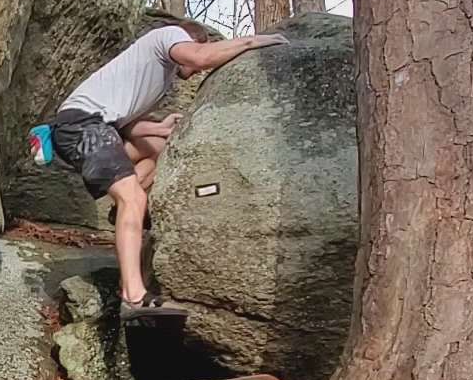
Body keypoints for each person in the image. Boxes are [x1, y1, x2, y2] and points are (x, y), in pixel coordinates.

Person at [30, 23, 289, 317]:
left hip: (100, 127)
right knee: (133, 198)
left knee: (159, 148)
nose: (199, 73)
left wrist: (160, 127)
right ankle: (133, 295)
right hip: (83, 126)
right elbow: (199, 57)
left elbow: (124, 121)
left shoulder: (160, 77)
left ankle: (128, 210)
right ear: (192, 39)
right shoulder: (170, 35)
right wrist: (253, 41)